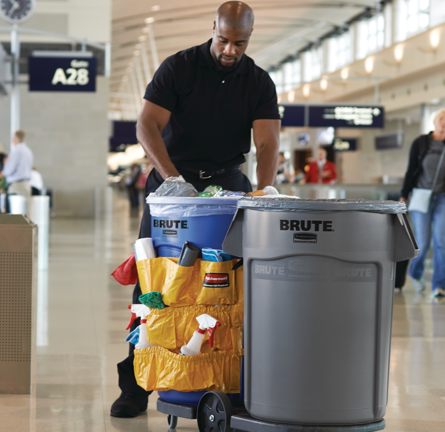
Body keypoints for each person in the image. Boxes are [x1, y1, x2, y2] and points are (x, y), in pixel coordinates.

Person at [111, 1, 280, 418]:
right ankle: (135, 385)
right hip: (173, 181)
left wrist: (265, 188)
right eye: (224, 40)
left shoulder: (258, 82)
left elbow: (267, 142)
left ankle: (233, 378)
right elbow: (147, 125)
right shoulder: (178, 67)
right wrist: (172, 180)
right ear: (214, 29)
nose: (230, 50)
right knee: (155, 277)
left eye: (239, 43)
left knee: (233, 281)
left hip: (227, 184)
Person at [400, 108, 445, 298]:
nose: (444, 123)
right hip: (421, 197)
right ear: (434, 122)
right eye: (441, 119)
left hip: (443, 197)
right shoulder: (420, 143)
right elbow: (411, 170)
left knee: (440, 241)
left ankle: (439, 285)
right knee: (423, 242)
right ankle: (416, 273)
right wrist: (404, 194)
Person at [1, 130, 34, 199]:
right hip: (26, 184)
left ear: (14, 139)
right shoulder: (28, 151)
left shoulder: (16, 151)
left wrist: (5, 165)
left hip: (17, 186)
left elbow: (9, 170)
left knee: (15, 209)